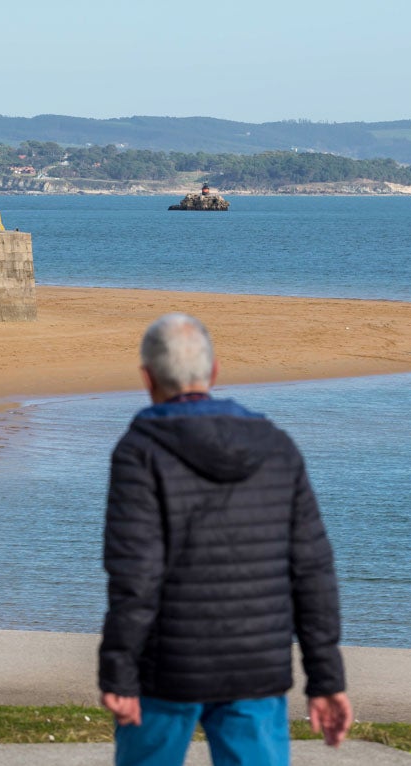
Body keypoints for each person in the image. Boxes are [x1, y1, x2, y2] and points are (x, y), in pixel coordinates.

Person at [100, 313, 352, 766]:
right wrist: (327, 678)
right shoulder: (277, 446)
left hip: (166, 666)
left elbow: (135, 574)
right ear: (213, 373)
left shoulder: (139, 450)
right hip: (255, 666)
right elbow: (312, 570)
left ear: (147, 378)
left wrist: (118, 672)